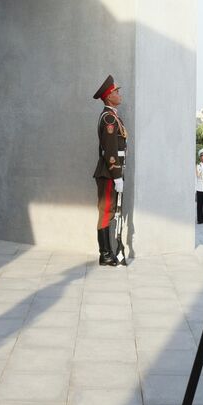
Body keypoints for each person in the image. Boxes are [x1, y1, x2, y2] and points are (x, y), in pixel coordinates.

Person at [92, 75, 127, 266]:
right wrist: (117, 176)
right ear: (108, 96)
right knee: (106, 211)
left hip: (111, 173)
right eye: (116, 92)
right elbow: (111, 151)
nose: (119, 94)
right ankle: (105, 254)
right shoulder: (108, 118)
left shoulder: (112, 116)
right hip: (108, 173)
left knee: (110, 210)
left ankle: (107, 252)